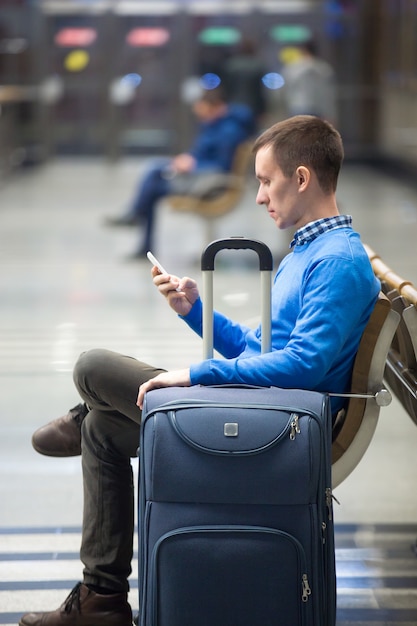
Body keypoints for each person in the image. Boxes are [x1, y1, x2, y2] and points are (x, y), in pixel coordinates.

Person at [21, 115, 380, 626]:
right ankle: (101, 600)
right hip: (265, 410)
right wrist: (195, 310)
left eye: (265, 180)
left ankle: (84, 412)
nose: (259, 196)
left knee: (93, 366)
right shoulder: (310, 251)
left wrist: (196, 375)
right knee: (104, 431)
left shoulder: (336, 261)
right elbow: (259, 349)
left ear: (301, 178)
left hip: (278, 430)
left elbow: (305, 365)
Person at [105, 88, 255, 259]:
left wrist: (193, 165)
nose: (201, 116)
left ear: (216, 107)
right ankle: (137, 221)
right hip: (200, 178)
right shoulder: (216, 125)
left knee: (154, 177)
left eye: (204, 111)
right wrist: (189, 159)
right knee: (154, 174)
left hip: (209, 184)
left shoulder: (229, 131)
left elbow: (221, 166)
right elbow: (204, 153)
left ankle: (136, 217)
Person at [281, 38, 337, 124]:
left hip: (297, 107)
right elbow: (328, 93)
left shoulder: (293, 67)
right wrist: (330, 113)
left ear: (303, 50)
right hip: (318, 108)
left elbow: (285, 89)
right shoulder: (323, 68)